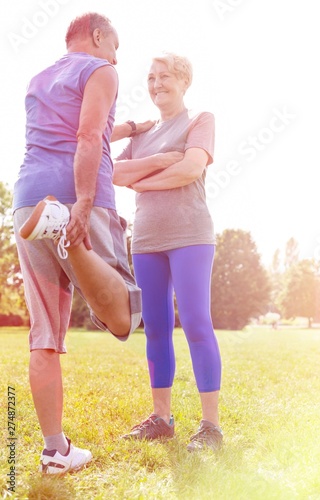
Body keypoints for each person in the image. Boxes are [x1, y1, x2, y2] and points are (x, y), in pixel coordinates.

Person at [12, 12, 157, 475]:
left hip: (27, 200)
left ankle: (55, 451)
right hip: (76, 199)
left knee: (44, 336)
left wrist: (131, 128)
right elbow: (87, 134)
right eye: (115, 44)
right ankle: (68, 237)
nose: (119, 55)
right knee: (123, 318)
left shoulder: (40, 78)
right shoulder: (101, 70)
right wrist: (84, 201)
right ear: (97, 36)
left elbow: (82, 131)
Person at [113, 53, 223, 451]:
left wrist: (141, 179)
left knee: (196, 323)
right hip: (146, 240)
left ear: (184, 81)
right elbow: (111, 173)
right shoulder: (140, 134)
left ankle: (210, 426)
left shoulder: (199, 121)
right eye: (151, 77)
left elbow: (190, 169)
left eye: (165, 77)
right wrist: (159, 161)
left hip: (191, 234)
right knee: (156, 328)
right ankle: (162, 418)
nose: (157, 84)